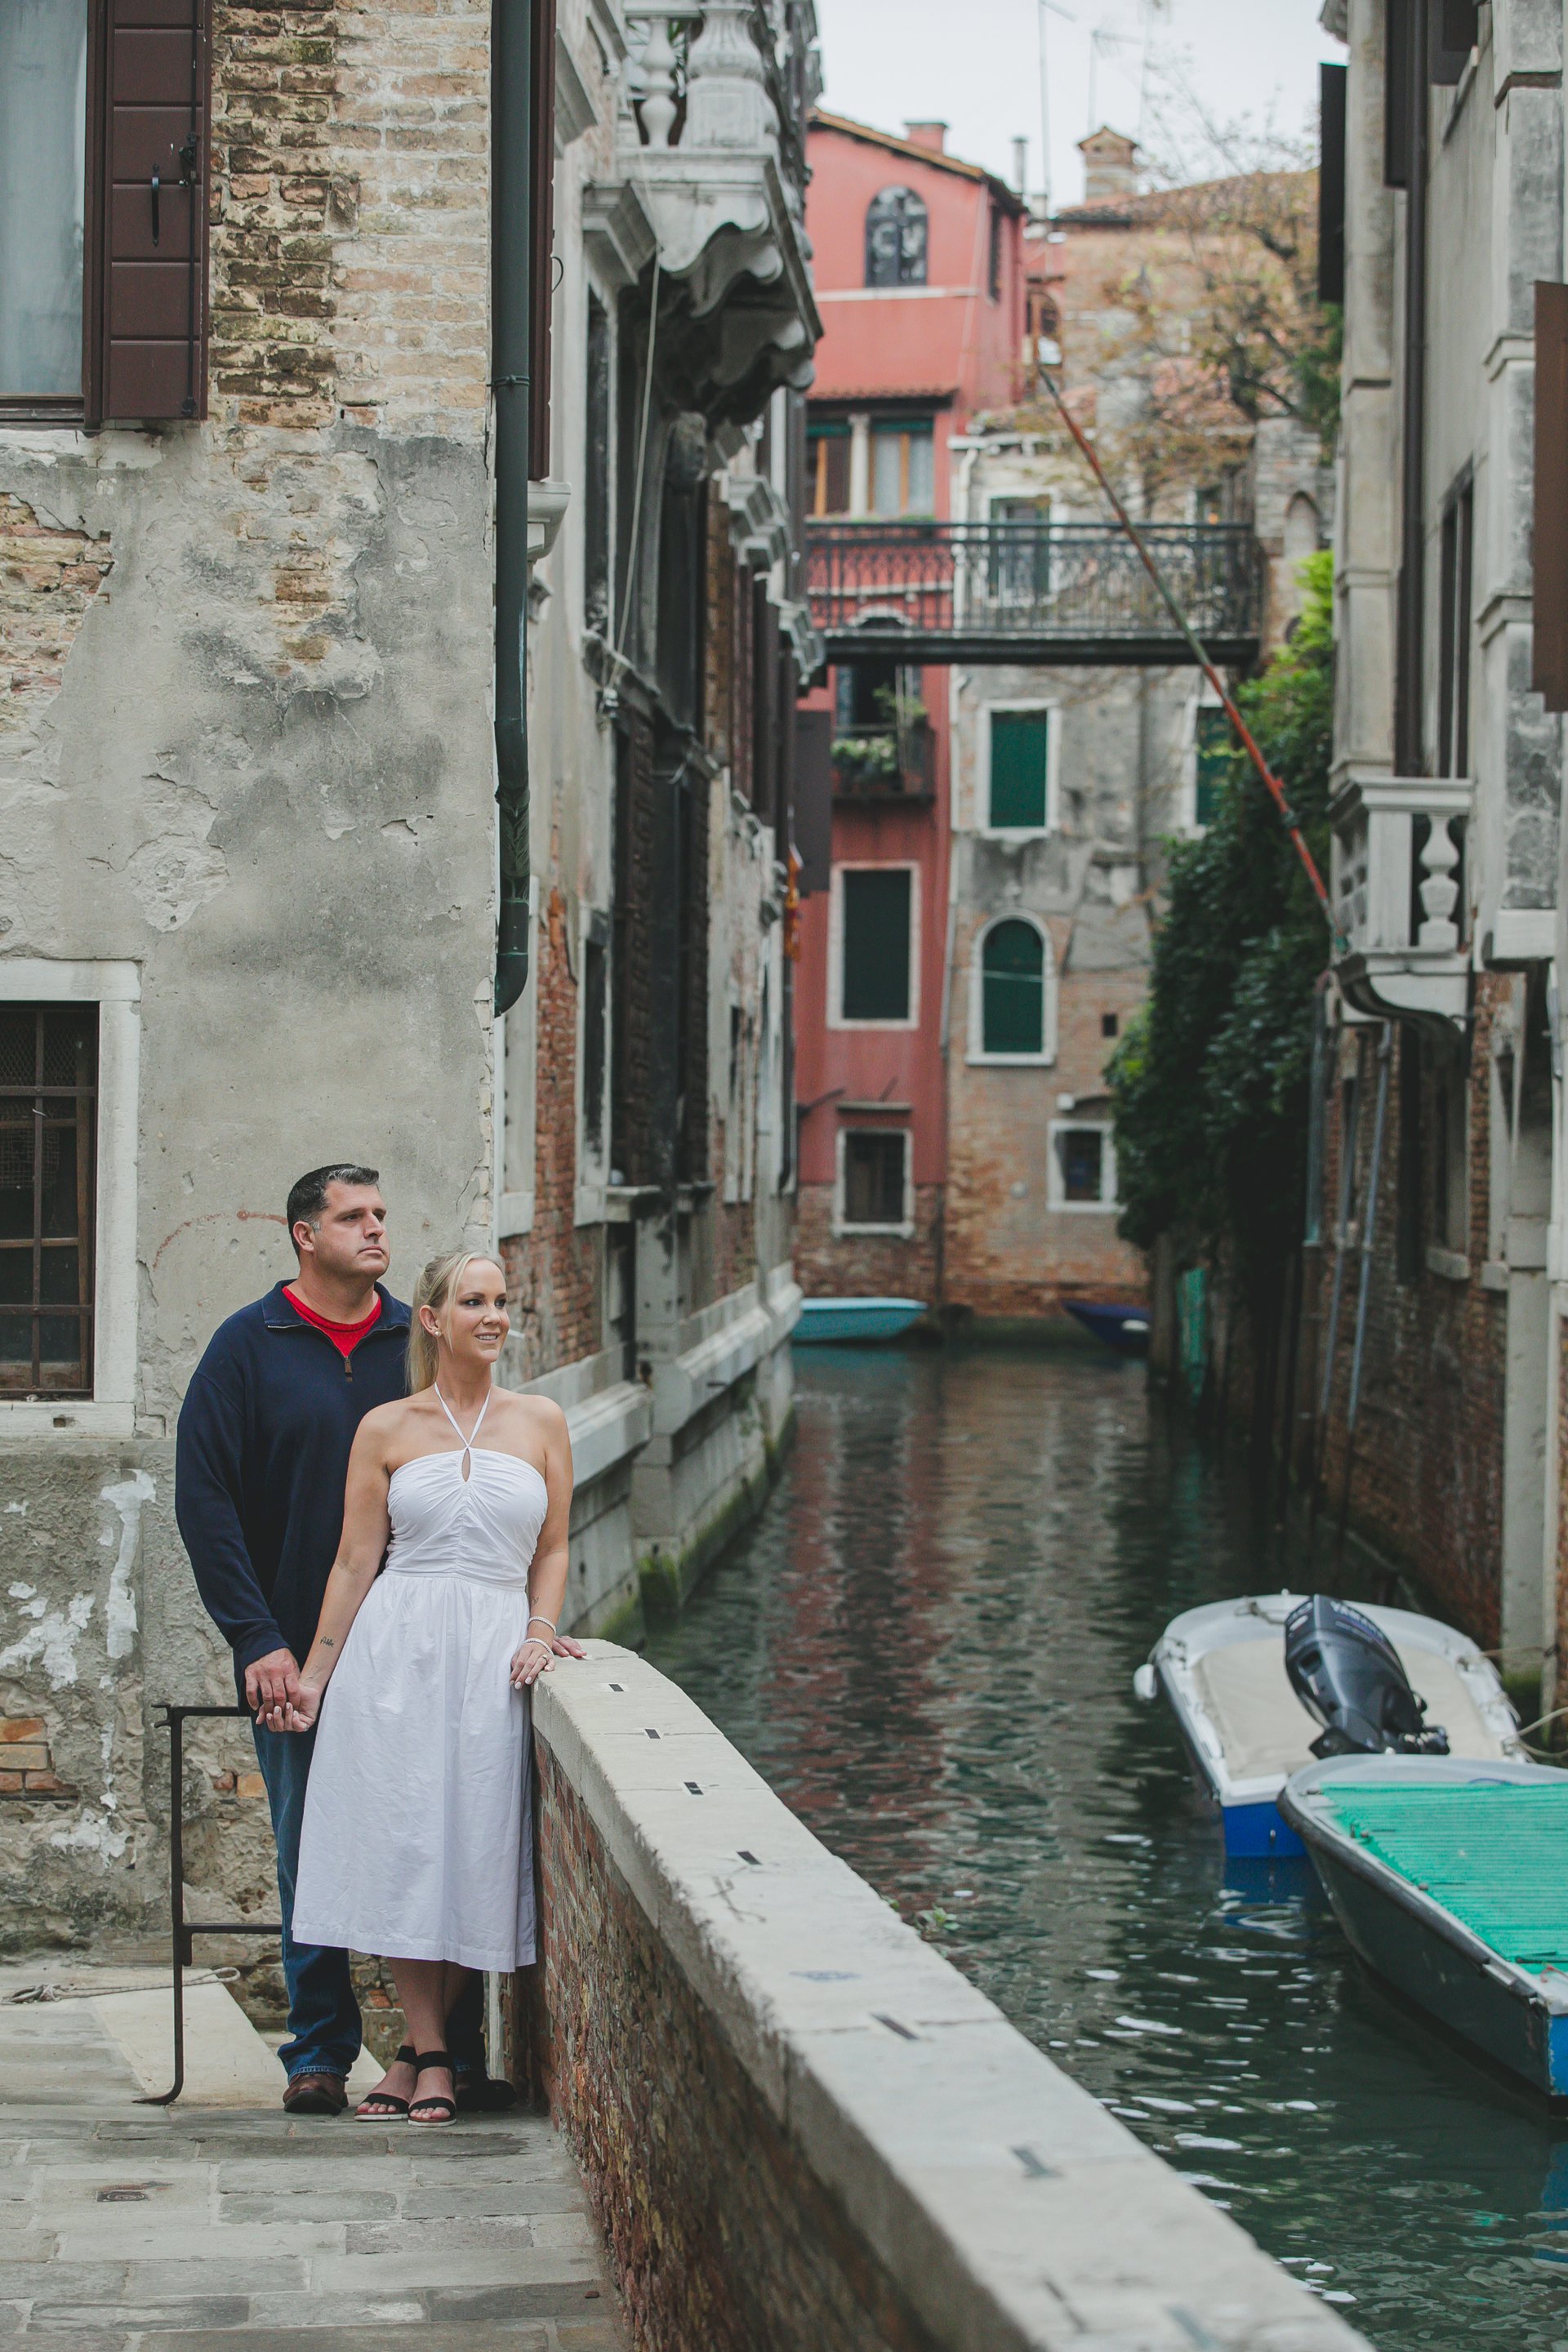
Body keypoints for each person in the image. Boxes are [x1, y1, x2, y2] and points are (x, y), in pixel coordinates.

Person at [174, 1166, 493, 2113]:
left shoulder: (416, 1339)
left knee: (440, 1833)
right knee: (309, 1844)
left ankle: (443, 2051)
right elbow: (205, 1503)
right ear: (304, 1235)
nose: (375, 1230)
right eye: (353, 1217)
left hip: (421, 1644)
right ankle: (318, 2050)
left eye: (382, 1215)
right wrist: (256, 1639)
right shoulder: (247, 1346)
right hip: (295, 1655)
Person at [275, 1248, 576, 2125]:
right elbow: (355, 1559)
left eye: (502, 1302)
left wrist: (540, 1631)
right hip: (396, 1653)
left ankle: (411, 2054)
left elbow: (553, 1548)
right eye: (474, 1302)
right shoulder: (387, 1428)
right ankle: (436, 2050)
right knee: (408, 1846)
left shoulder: (542, 1420)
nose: (494, 1316)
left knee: (471, 1847)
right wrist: (316, 1676)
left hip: (491, 1647)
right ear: (434, 1320)